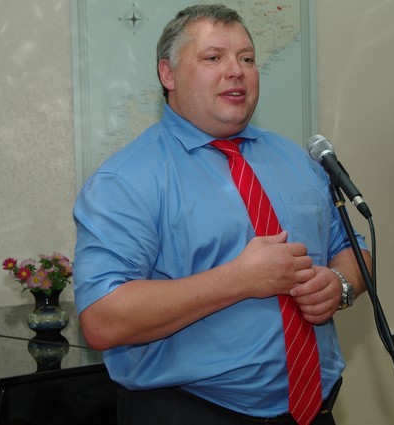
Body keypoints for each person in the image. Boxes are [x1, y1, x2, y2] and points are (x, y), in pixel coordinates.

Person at [73, 4, 371, 425]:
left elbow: (355, 251)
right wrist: (239, 279)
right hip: (190, 410)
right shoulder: (126, 181)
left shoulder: (298, 160)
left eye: (247, 59)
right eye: (213, 58)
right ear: (168, 74)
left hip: (314, 410)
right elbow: (102, 320)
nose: (236, 71)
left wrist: (339, 284)